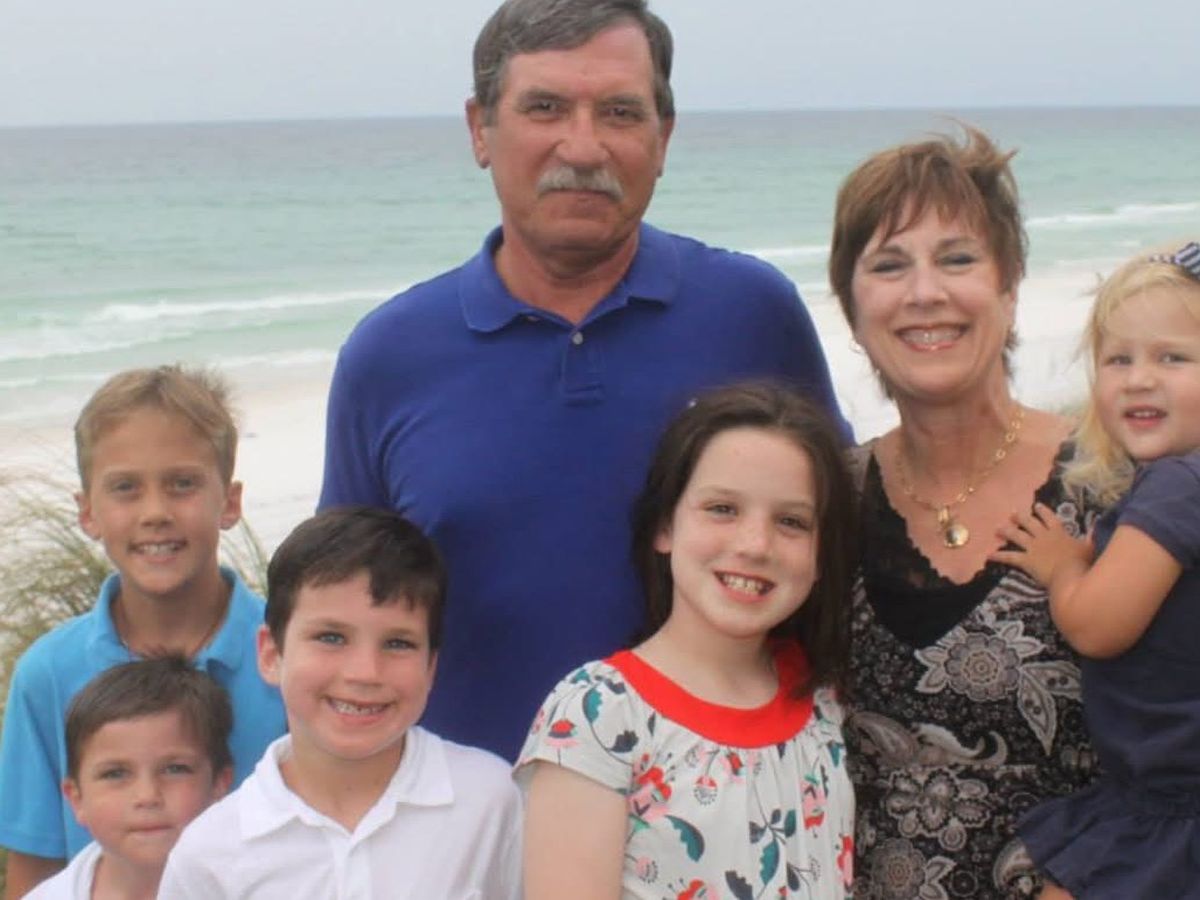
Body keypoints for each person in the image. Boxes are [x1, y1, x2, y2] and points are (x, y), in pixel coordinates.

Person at [318, 0, 848, 762]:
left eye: (620, 113)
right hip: (475, 818)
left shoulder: (753, 316)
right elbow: (340, 616)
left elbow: (837, 545)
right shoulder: (389, 356)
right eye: (545, 107)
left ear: (664, 137)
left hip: (731, 807)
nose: (584, 146)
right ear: (479, 129)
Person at [827, 127, 1099, 898]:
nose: (925, 292)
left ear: (1009, 290)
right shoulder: (823, 504)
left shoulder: (1115, 488)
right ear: (852, 310)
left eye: (957, 259)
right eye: (889, 265)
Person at [518, 382, 856, 897]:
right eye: (722, 508)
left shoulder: (824, 697)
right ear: (664, 526)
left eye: (791, 521)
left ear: (821, 556)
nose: (755, 545)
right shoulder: (597, 715)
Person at [0, 365, 285, 900]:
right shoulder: (48, 675)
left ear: (229, 502)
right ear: (88, 512)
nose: (155, 512)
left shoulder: (295, 660)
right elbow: (33, 872)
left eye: (183, 484)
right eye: (126, 488)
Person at [159, 506, 523, 899]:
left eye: (398, 643)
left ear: (431, 666)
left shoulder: (492, 800)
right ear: (271, 654)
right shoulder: (209, 855)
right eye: (331, 638)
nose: (364, 672)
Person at [992, 241, 1200, 899]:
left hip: (1171, 806)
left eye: (1173, 358)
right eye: (1118, 359)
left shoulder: (1178, 487)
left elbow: (1098, 626)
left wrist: (1062, 569)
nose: (1139, 378)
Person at [23, 656, 233, 900]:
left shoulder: (261, 886)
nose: (147, 796)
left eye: (175, 769)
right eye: (115, 773)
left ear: (220, 784)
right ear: (76, 799)